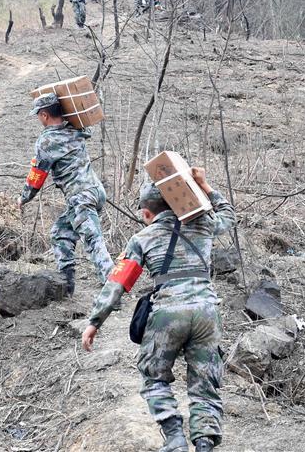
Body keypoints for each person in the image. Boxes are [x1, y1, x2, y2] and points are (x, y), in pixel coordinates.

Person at [81, 171, 236, 452]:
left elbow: (118, 283)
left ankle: (175, 438)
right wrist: (203, 185)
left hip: (168, 313)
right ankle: (204, 444)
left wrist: (95, 322)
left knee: (154, 376)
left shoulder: (142, 237)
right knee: (204, 383)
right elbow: (228, 213)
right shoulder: (204, 224)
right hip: (206, 311)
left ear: (146, 212)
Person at [17, 93, 113, 294]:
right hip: (95, 192)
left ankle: (114, 291)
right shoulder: (76, 129)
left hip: (81, 197)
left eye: (38, 115)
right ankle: (65, 285)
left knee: (94, 243)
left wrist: (24, 198)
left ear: (44, 115)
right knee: (60, 234)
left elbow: (37, 175)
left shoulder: (47, 140)